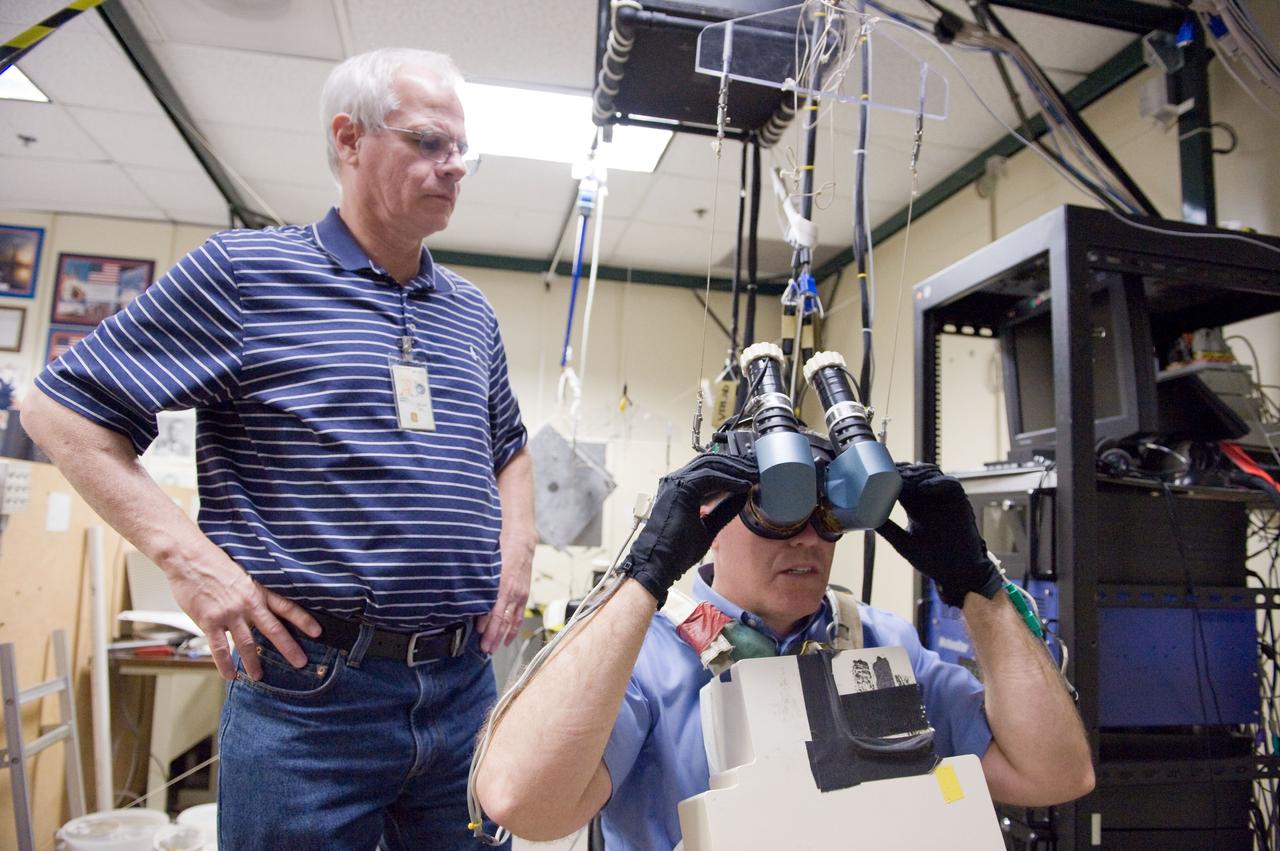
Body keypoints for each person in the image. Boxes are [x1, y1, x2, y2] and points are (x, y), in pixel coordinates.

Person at [22, 48, 533, 850]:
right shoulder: (245, 275)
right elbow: (59, 410)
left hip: (462, 686)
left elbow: (510, 446)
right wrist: (190, 562)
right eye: (429, 142)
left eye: (462, 149)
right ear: (349, 138)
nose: (454, 166)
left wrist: (518, 544)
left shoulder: (468, 312)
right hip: (312, 694)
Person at [473, 446, 1094, 849]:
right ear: (709, 524)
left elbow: (1057, 774)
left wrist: (977, 587)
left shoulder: (879, 642)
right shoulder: (644, 657)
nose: (808, 542)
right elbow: (522, 805)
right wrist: (644, 578)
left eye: (825, 518)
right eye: (777, 512)